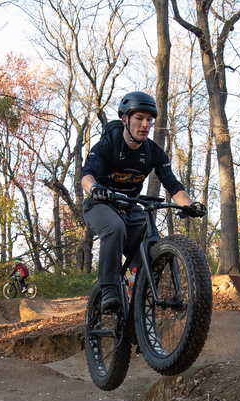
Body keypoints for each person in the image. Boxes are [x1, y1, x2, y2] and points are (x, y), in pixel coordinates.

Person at [81, 91, 205, 313]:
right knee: (115, 228)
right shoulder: (109, 143)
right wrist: (96, 189)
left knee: (151, 244)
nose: (145, 124)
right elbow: (86, 175)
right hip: (100, 205)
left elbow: (173, 185)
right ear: (125, 120)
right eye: (139, 118)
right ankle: (109, 290)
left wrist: (188, 204)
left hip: (129, 206)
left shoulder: (153, 152)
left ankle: (137, 300)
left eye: (149, 119)